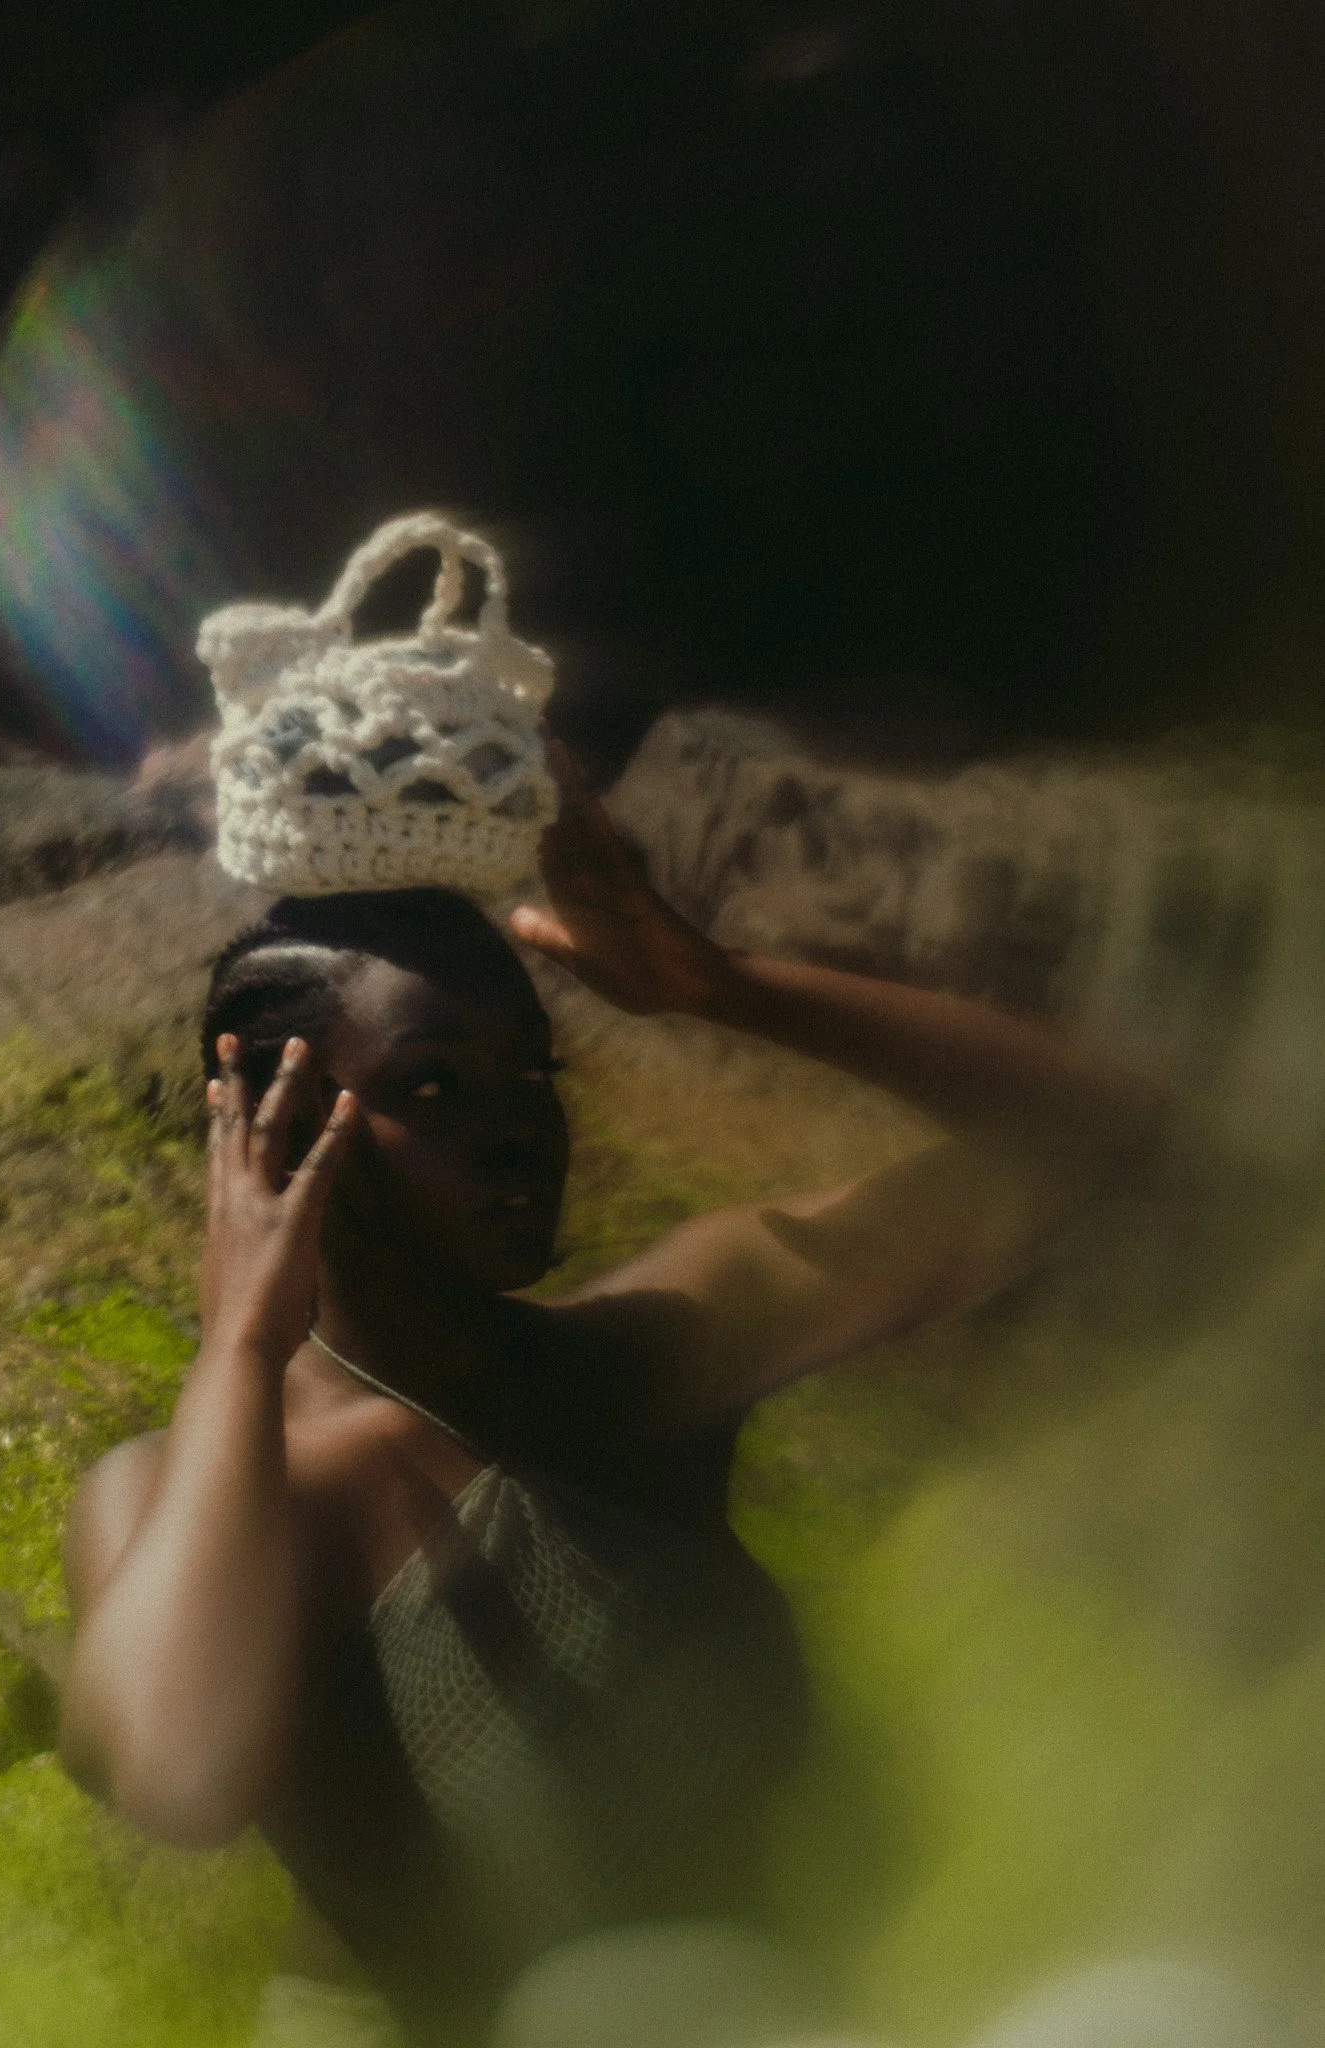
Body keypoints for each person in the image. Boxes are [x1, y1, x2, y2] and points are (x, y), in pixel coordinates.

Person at [57, 743, 1159, 2047]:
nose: (519, 1125)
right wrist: (241, 1346)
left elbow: (1097, 1141)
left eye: (536, 1073)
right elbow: (176, 1782)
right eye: (432, 1085)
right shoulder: (200, 1489)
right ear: (279, 1135)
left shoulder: (645, 1355)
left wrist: (720, 986)